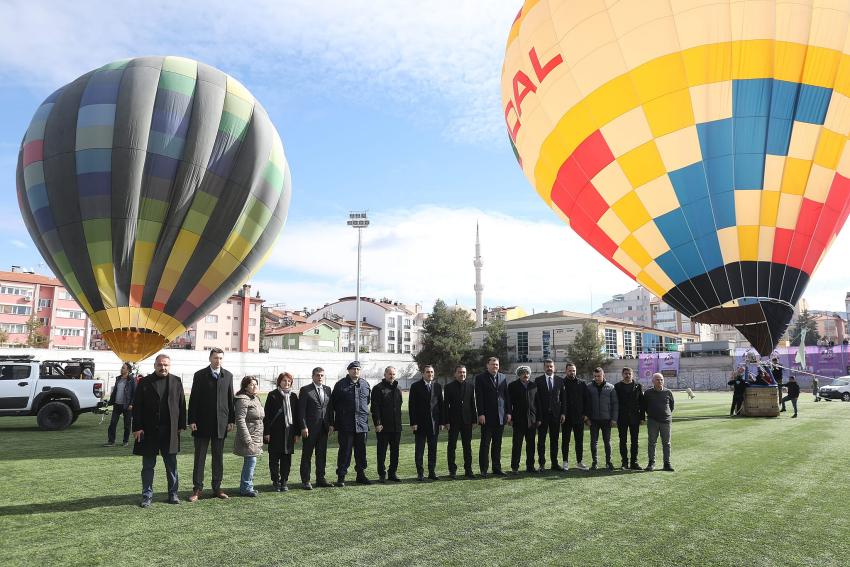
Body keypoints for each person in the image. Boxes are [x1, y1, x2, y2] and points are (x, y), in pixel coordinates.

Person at [132, 354, 186, 508]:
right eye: (160, 365)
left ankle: (173, 494)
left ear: (170, 366)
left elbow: (181, 403)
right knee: (148, 466)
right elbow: (137, 407)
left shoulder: (176, 381)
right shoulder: (144, 382)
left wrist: (181, 424)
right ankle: (147, 495)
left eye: (166, 365)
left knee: (171, 465)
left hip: (170, 431)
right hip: (149, 432)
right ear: (155, 365)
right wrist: (137, 427)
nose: (163, 367)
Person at [187, 347, 235, 502]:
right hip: (201, 424)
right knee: (199, 458)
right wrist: (192, 420)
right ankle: (197, 489)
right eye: (215, 358)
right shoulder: (200, 375)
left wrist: (231, 420)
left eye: (220, 358)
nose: (218, 361)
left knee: (218, 458)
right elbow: (193, 399)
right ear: (210, 358)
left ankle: (217, 488)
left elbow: (230, 400)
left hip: (221, 425)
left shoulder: (228, 375)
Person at [331, 361, 372, 486]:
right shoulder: (340, 385)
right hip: (346, 425)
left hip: (361, 425)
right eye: (353, 369)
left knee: (361, 452)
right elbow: (333, 404)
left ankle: (361, 475)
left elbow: (367, 402)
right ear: (348, 371)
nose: (356, 371)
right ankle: (341, 477)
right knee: (345, 452)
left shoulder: (365, 384)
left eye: (358, 369)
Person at [263, 372, 300, 492]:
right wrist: (266, 432)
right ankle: (275, 481)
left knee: (286, 459)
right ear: (279, 382)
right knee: (274, 459)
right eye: (284, 381)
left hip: (289, 432)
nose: (287, 383)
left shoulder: (294, 396)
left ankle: (284, 481)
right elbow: (267, 415)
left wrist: (297, 433)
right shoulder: (272, 395)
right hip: (275, 432)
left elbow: (296, 416)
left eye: (289, 381)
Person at [298, 367, 334, 490]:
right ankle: (306, 480)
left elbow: (329, 409)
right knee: (307, 455)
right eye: (318, 375)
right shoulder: (305, 390)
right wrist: (303, 426)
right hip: (310, 429)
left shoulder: (328, 389)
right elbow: (301, 410)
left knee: (321, 455)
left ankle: (320, 479)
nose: (320, 377)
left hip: (324, 428)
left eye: (322, 375)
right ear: (313, 376)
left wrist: (331, 424)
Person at [475, 356, 510, 477]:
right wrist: (481, 414)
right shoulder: (480, 378)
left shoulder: (503, 377)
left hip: (500, 416)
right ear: (487, 365)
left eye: (497, 364)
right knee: (485, 444)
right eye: (493, 364)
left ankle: (496, 468)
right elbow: (479, 398)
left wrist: (508, 412)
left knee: (497, 444)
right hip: (486, 417)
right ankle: (483, 469)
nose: (495, 366)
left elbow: (506, 396)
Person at [409, 364, 445, 481]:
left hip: (434, 424)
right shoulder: (415, 386)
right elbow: (412, 406)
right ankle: (420, 473)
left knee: (432, 449)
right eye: (428, 372)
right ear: (423, 373)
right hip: (419, 424)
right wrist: (413, 422)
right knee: (419, 450)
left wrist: (442, 422)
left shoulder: (438, 386)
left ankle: (432, 472)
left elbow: (441, 405)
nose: (430, 374)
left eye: (432, 372)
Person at [443, 364, 477, 479]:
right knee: (452, 446)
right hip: (453, 421)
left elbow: (472, 404)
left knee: (467, 446)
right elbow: (445, 406)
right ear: (455, 374)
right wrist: (446, 421)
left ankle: (469, 470)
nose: (462, 374)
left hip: (467, 421)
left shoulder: (471, 386)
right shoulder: (448, 387)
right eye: (460, 372)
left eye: (464, 372)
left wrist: (474, 420)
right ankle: (452, 471)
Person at [371, 366, 403, 482]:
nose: (392, 376)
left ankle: (392, 473)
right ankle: (382, 474)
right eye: (389, 374)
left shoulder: (398, 388)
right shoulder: (378, 389)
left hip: (396, 427)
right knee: (382, 452)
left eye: (393, 374)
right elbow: (375, 408)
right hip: (383, 427)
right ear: (385, 374)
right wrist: (378, 423)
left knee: (395, 452)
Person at [233, 376, 264, 497]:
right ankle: (246, 487)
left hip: (257, 435)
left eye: (256, 384)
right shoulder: (243, 400)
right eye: (252, 384)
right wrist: (247, 439)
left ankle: (247, 486)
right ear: (245, 387)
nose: (255, 386)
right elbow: (240, 420)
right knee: (251, 460)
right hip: (249, 436)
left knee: (252, 461)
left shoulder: (256, 398)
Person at [534, 358, 565, 471]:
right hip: (542, 416)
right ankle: (541, 464)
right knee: (541, 441)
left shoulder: (560, 381)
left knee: (555, 440)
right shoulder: (538, 380)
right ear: (544, 368)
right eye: (547, 366)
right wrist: (538, 417)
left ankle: (554, 464)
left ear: (554, 367)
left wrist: (563, 413)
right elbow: (536, 401)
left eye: (551, 366)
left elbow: (563, 399)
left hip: (556, 416)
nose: (549, 368)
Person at [585, 367, 618, 471]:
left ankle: (609, 462)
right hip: (593, 420)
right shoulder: (589, 387)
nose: (597, 378)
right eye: (595, 376)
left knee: (607, 442)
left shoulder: (611, 387)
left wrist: (614, 419)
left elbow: (615, 404)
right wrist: (586, 419)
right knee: (593, 442)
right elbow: (585, 404)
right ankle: (594, 463)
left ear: (603, 375)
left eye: (599, 376)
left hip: (606, 419)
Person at [508, 366, 539, 474]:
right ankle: (515, 468)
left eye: (527, 373)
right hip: (518, 420)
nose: (525, 375)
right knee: (517, 445)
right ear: (519, 374)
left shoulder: (534, 385)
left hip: (532, 421)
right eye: (523, 373)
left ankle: (530, 466)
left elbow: (537, 403)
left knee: (531, 445)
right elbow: (509, 403)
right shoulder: (512, 386)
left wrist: (538, 419)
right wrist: (510, 417)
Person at [642, 373, 675, 472]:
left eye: (661, 379)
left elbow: (671, 406)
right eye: (657, 379)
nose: (660, 381)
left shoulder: (668, 392)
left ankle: (667, 463)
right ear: (652, 381)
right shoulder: (647, 393)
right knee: (652, 443)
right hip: (653, 421)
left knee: (666, 443)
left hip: (666, 421)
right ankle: (651, 463)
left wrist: (665, 414)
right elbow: (644, 406)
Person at [614, 367, 644, 470]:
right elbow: (615, 403)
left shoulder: (638, 386)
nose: (627, 375)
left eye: (629, 374)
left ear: (632, 375)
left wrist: (642, 417)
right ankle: (624, 463)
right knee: (623, 441)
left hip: (635, 418)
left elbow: (642, 403)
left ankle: (634, 462)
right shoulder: (617, 386)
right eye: (625, 374)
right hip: (621, 418)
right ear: (622, 374)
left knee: (634, 441)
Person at [561, 362, 589, 470]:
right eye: (570, 370)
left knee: (579, 441)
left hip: (579, 417)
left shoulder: (582, 383)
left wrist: (586, 414)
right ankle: (565, 462)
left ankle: (579, 462)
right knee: (565, 441)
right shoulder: (561, 383)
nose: (572, 372)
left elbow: (587, 400)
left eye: (574, 370)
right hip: (566, 418)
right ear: (566, 371)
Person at [104, 362, 136, 447]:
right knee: (113, 423)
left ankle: (125, 441)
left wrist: (131, 404)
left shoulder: (132, 379)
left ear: (128, 370)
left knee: (127, 425)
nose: (121, 369)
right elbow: (115, 392)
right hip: (117, 405)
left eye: (123, 368)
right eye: (121, 367)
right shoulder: (118, 379)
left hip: (127, 406)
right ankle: (111, 441)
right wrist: (110, 402)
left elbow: (134, 393)